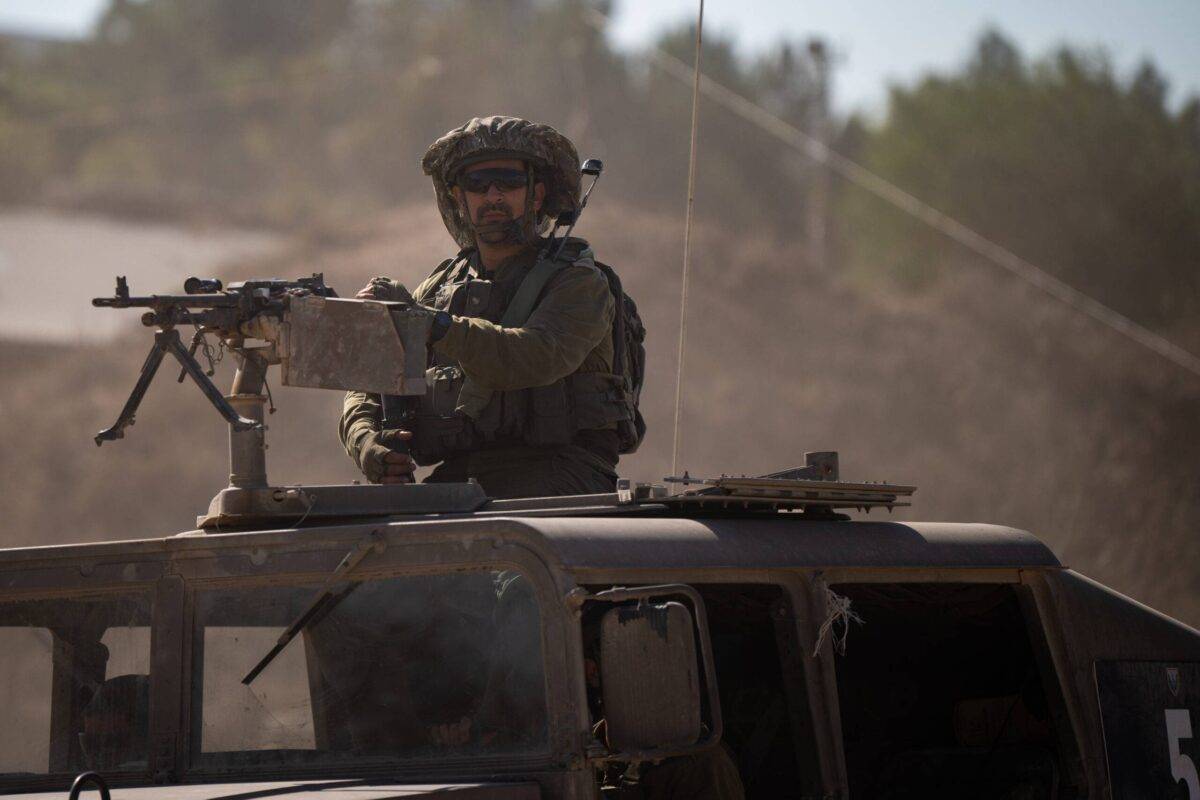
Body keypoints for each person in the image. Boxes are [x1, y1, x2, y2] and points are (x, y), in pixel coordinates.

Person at [340, 116, 637, 498]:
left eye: (509, 182)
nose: (493, 196)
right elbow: (369, 380)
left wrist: (432, 325)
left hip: (562, 475)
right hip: (460, 477)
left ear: (537, 194)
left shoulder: (578, 282)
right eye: (477, 184)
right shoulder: (440, 287)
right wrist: (366, 442)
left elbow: (536, 355)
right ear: (458, 198)